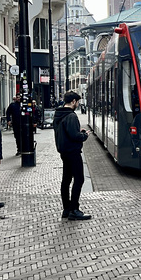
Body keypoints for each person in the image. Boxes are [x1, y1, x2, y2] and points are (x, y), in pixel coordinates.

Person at [53, 91, 91, 221]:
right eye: (77, 102)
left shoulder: (58, 114)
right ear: (73, 101)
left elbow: (66, 132)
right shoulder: (71, 116)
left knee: (66, 180)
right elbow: (74, 136)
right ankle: (74, 209)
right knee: (79, 179)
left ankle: (66, 209)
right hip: (73, 152)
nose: (78, 104)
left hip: (63, 151)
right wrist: (84, 135)